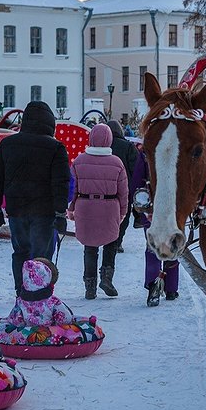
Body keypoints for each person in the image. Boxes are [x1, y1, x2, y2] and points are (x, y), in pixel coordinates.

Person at [0, 101, 70, 296]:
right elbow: (61, 183)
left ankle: (21, 291)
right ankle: (40, 294)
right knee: (42, 256)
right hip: (45, 212)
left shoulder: (7, 144)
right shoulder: (56, 147)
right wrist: (60, 213)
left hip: (17, 210)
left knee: (21, 253)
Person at [68, 124, 128, 299]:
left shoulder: (79, 161)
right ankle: (107, 278)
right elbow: (123, 191)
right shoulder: (117, 162)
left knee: (90, 246)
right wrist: (123, 211)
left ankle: (90, 285)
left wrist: (71, 208)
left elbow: (74, 189)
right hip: (110, 206)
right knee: (111, 243)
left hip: (85, 205)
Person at [129, 146, 179, 306]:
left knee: (153, 247)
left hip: (151, 205)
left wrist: (138, 206)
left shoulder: (146, 152)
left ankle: (153, 285)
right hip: (175, 205)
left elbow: (136, 181)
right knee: (173, 244)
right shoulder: (179, 149)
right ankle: (171, 288)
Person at [6, 258, 73, 327]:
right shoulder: (53, 302)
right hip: (49, 335)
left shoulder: (20, 302)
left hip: (29, 336)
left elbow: (15, 321)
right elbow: (65, 320)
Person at [106, 119, 137, 252]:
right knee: (123, 215)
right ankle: (118, 241)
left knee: (107, 215)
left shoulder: (102, 146)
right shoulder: (128, 146)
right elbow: (135, 168)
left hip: (105, 188)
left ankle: (108, 240)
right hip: (125, 188)